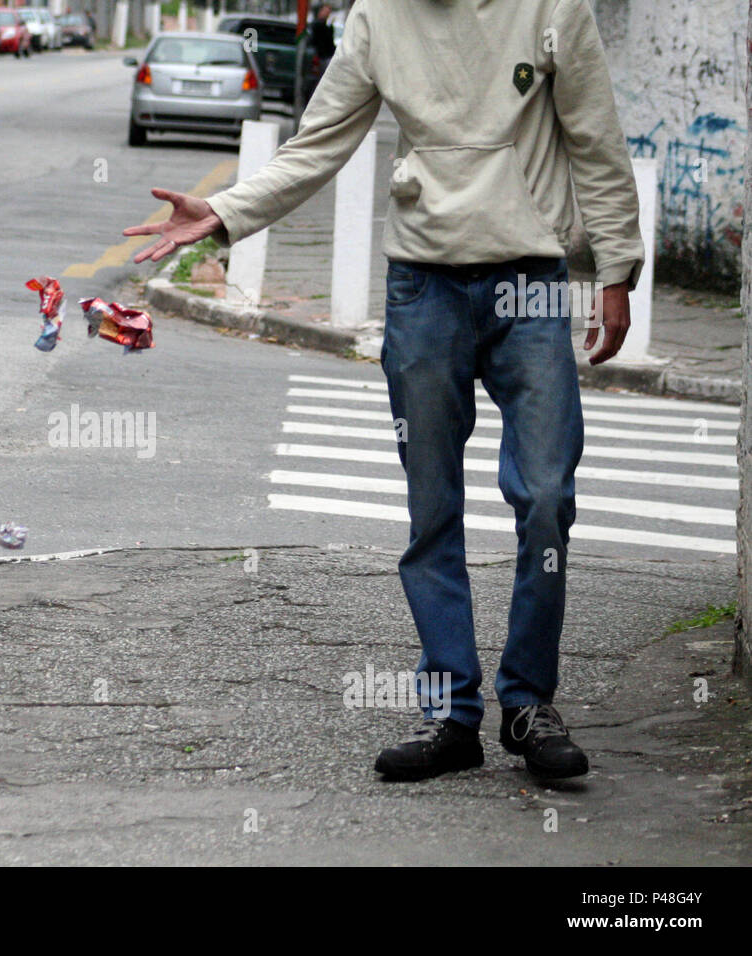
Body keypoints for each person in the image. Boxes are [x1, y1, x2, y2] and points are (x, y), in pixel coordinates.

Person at [123, 0, 642, 782]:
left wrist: (617, 269)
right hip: (423, 290)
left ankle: (530, 703)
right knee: (432, 510)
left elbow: (596, 141)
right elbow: (319, 142)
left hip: (532, 284)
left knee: (545, 496)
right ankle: (452, 715)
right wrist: (226, 213)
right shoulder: (378, 16)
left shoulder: (552, 7)